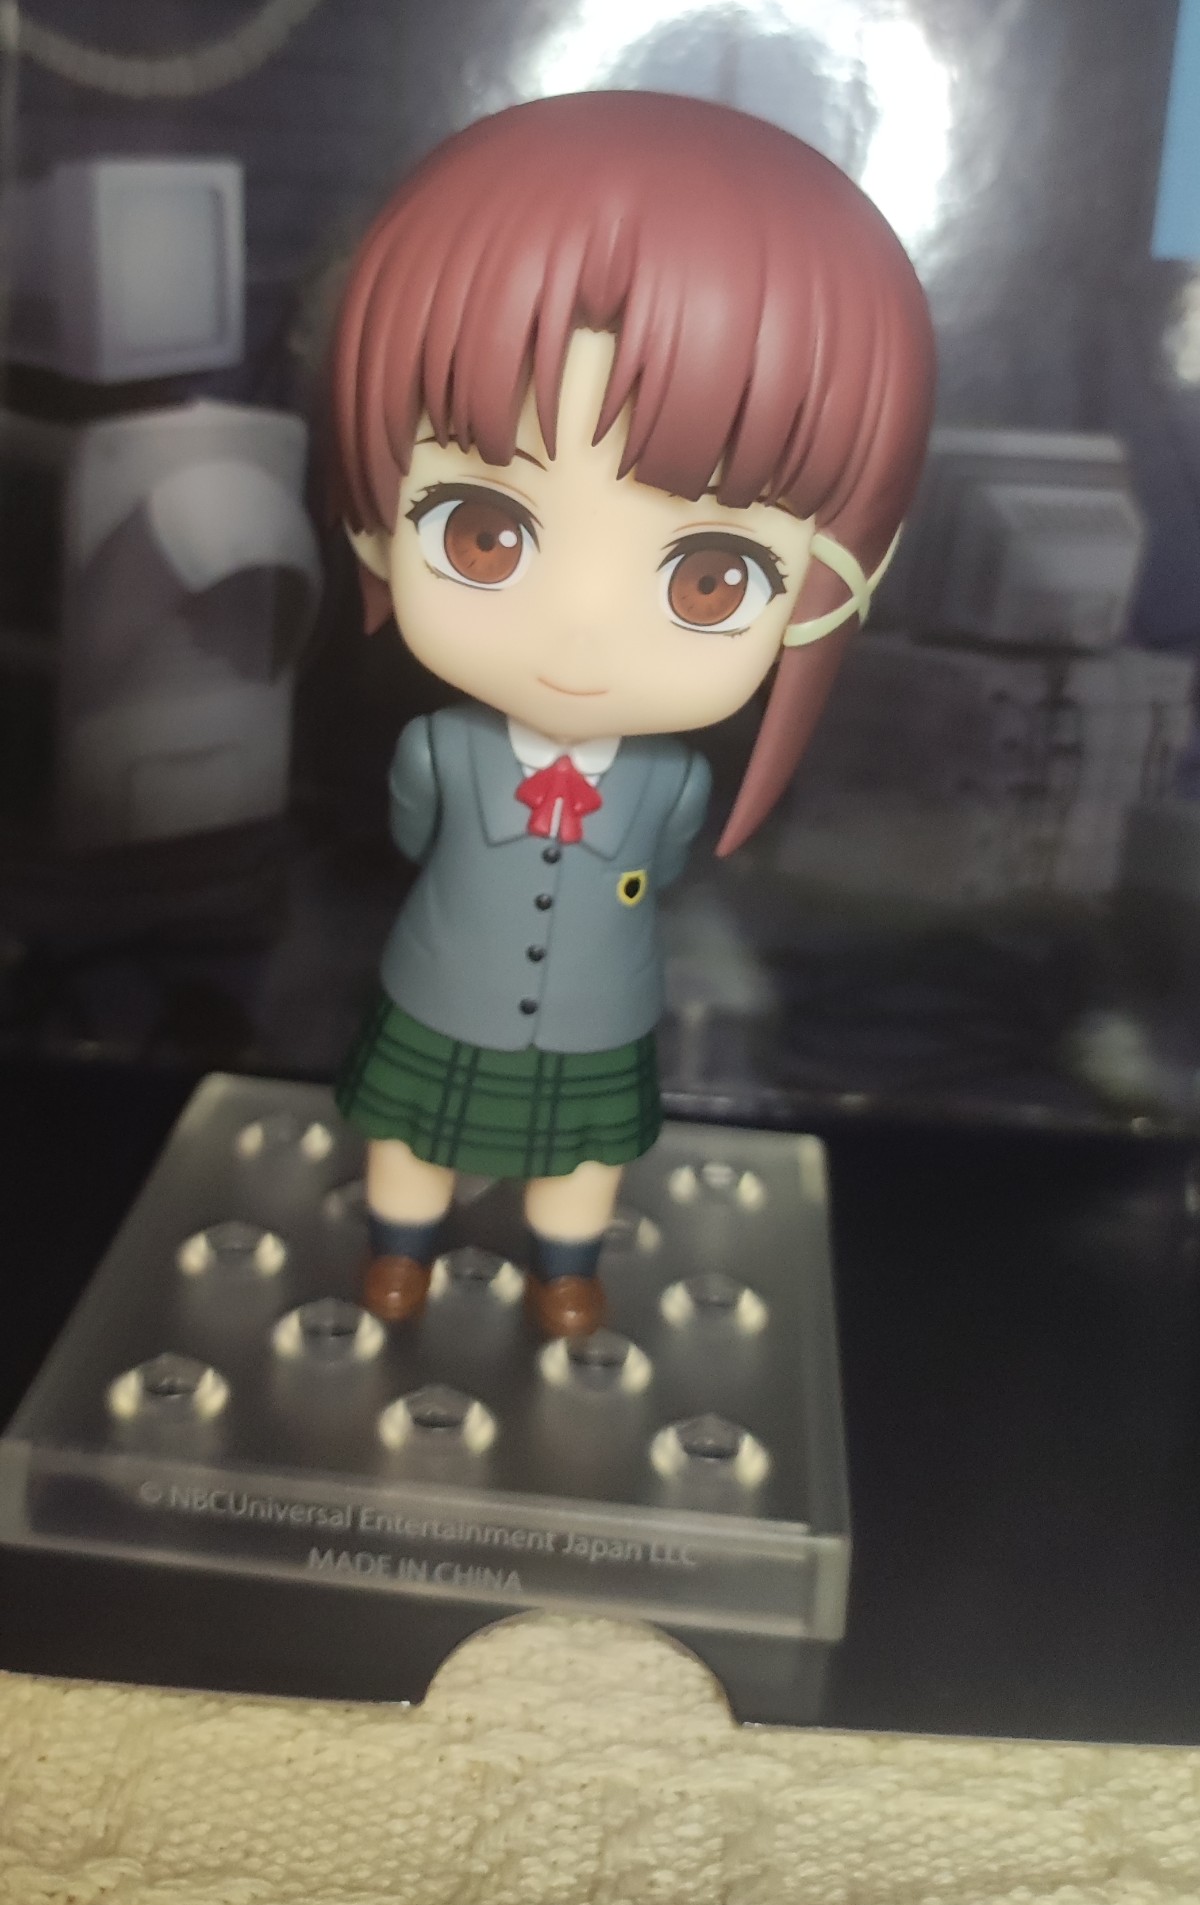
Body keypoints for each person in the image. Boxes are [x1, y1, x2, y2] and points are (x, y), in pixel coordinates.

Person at [328, 89, 934, 1338]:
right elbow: (410, 834)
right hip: (439, 995)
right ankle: (400, 1253)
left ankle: (567, 1268)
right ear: (380, 514)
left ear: (828, 586)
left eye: (711, 577)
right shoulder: (439, 749)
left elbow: (658, 866)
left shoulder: (673, 782)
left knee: (586, 1153)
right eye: (487, 533)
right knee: (411, 1131)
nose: (582, 635)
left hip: (600, 1014)